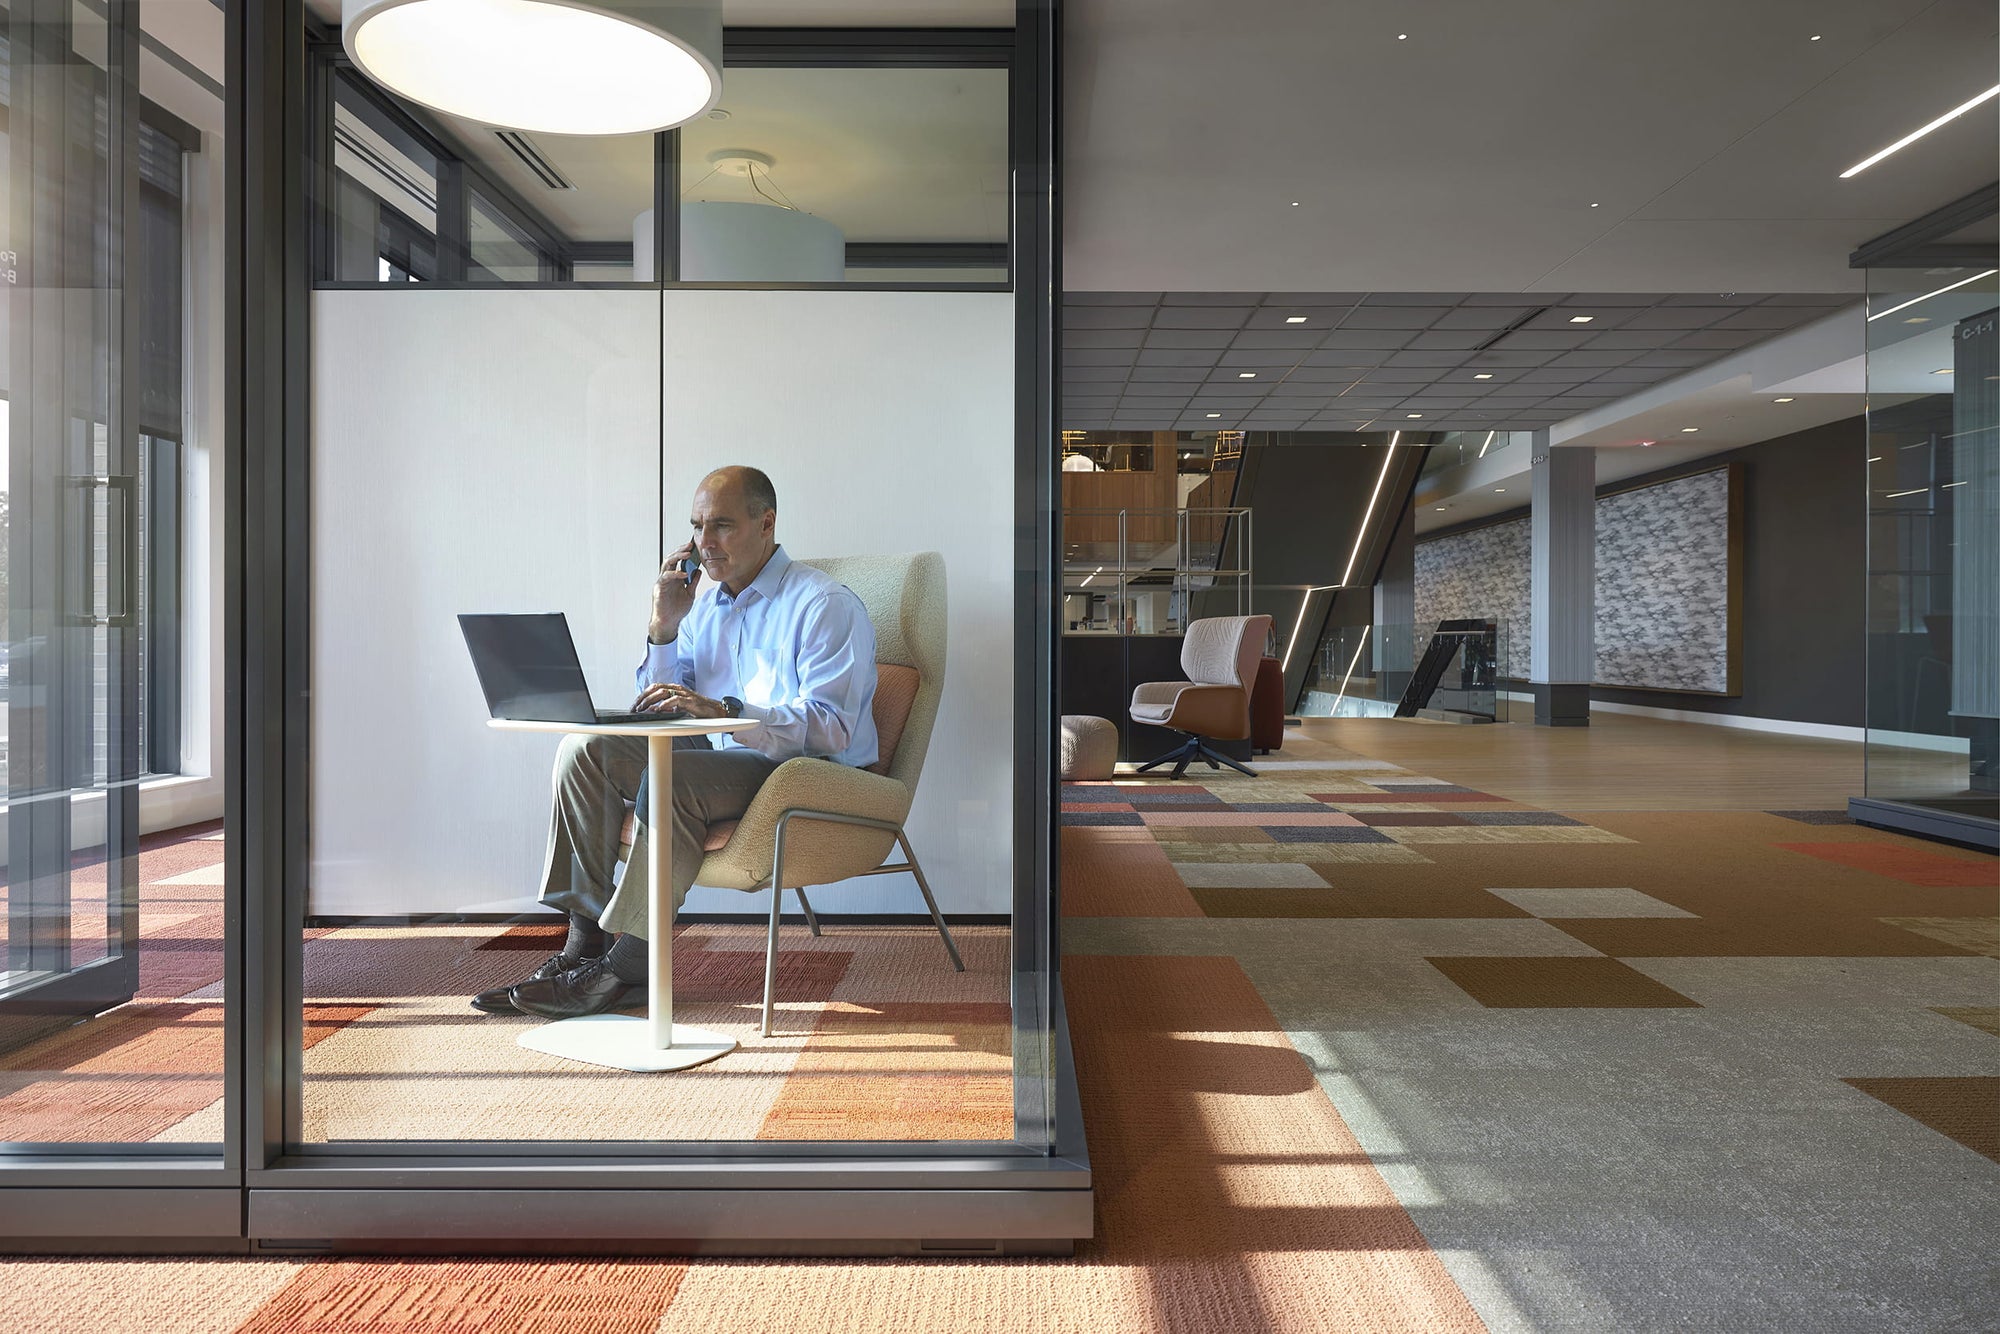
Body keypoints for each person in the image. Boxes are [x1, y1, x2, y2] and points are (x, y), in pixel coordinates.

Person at [472, 465, 879, 1019]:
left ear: (767, 523)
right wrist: (662, 627)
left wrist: (731, 711)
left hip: (798, 768)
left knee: (673, 780)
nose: (703, 544)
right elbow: (657, 704)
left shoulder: (823, 605)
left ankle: (630, 967)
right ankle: (583, 943)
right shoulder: (702, 607)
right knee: (583, 752)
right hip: (720, 756)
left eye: (722, 527)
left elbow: (834, 727)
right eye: (697, 526)